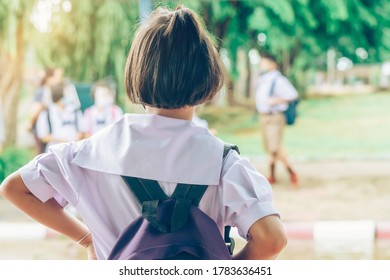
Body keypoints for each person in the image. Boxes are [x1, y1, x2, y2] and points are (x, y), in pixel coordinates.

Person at [0, 6, 286, 260]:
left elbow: (15, 188)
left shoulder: (92, 152)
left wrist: (88, 240)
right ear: (208, 76)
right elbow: (272, 240)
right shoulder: (224, 163)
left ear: (138, 72)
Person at [255, 53, 299, 188]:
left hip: (275, 116)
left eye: (264, 62)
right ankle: (273, 176)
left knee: (275, 147)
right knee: (270, 148)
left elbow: (292, 95)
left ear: (272, 64)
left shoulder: (278, 79)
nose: (262, 65)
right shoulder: (264, 79)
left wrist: (275, 100)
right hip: (264, 116)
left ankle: (291, 172)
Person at [35, 83, 85, 151]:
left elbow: (83, 130)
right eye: (67, 93)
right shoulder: (46, 114)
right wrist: (63, 140)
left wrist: (77, 138)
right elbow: (43, 136)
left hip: (74, 150)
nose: (70, 95)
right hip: (54, 151)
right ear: (59, 94)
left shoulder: (75, 111)